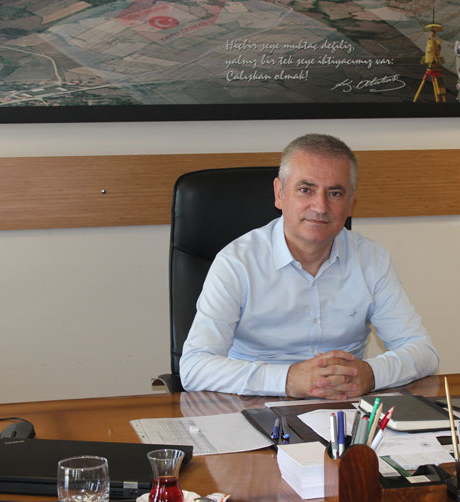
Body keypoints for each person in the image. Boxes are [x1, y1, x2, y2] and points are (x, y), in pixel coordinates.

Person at [180, 134, 439, 399]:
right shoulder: (237, 263)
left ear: (351, 202)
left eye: (335, 193)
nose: (320, 206)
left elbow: (423, 351)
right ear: (280, 193)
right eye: (306, 190)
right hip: (252, 404)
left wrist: (371, 374)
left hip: (342, 408)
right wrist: (289, 379)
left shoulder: (371, 259)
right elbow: (194, 367)